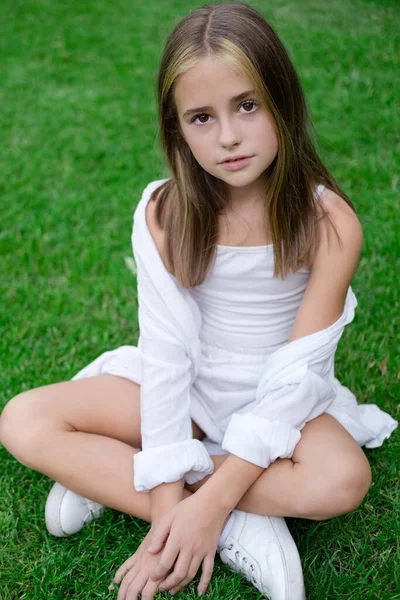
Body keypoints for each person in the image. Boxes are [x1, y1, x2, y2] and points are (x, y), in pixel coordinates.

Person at [0, 2, 397, 599]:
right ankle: (231, 515)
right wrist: (168, 507)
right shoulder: (163, 213)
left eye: (246, 105)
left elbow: (298, 378)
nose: (229, 136)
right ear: (176, 128)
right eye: (201, 117)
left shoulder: (329, 223)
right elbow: (165, 360)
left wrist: (212, 498)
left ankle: (127, 479)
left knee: (341, 481)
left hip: (282, 407)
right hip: (188, 396)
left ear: (281, 101)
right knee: (22, 420)